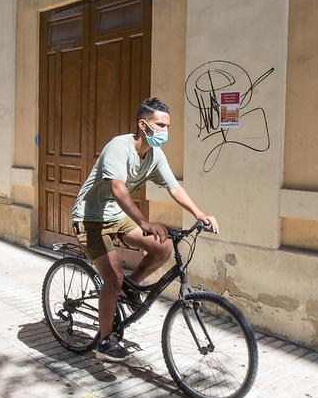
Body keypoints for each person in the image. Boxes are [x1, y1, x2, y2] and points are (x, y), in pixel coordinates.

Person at [71, 97, 219, 362]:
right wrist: (144, 223)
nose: (165, 131)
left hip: (117, 216)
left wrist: (200, 214)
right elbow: (118, 188)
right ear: (143, 125)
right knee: (113, 278)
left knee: (162, 247)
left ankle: (132, 286)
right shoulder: (119, 147)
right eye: (160, 125)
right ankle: (104, 342)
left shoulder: (154, 156)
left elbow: (174, 187)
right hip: (91, 218)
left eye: (167, 126)